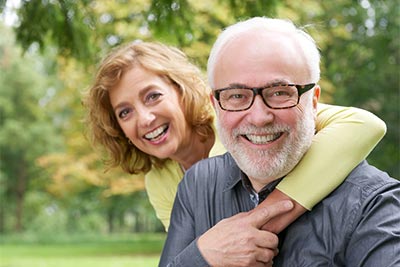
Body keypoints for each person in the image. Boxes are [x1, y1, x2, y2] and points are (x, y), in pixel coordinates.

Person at [159, 17, 400, 267]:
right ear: (216, 105)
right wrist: (202, 258)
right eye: (237, 96)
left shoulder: (375, 206)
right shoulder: (198, 183)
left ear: (314, 101)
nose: (259, 117)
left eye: (279, 93)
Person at [84, 41, 386, 232]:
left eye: (152, 96)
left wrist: (272, 213)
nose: (144, 119)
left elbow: (364, 124)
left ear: (181, 90)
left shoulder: (242, 120)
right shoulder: (160, 181)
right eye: (124, 112)